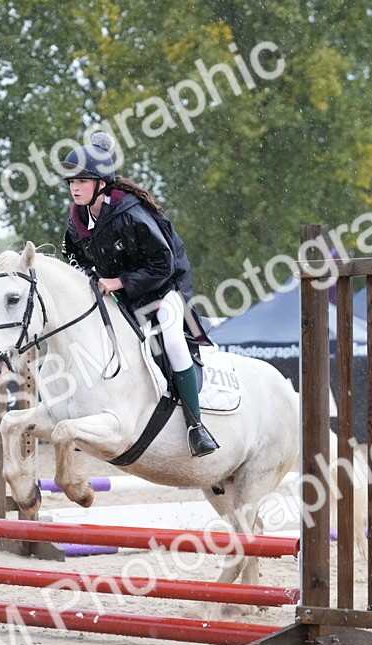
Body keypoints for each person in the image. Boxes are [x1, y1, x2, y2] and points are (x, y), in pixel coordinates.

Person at [59, 131, 218, 458]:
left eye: (82, 181)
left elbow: (164, 264)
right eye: (71, 181)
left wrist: (118, 281)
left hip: (164, 289)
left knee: (171, 341)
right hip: (126, 297)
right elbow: (72, 256)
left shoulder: (130, 213)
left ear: (101, 183)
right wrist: (89, 277)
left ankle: (196, 425)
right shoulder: (77, 222)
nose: (74, 187)